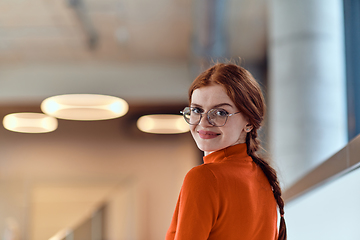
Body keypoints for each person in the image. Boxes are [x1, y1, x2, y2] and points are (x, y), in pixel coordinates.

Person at [165, 63, 286, 240]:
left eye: (220, 112)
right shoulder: (263, 178)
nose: (204, 122)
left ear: (249, 122)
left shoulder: (204, 178)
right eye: (197, 110)